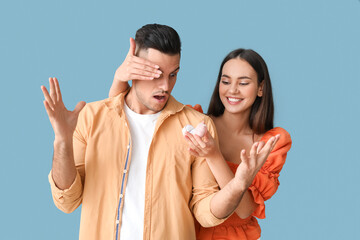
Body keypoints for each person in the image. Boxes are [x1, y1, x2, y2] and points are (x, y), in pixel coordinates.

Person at [41, 24, 278, 240]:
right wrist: (62, 140)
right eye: (155, 73)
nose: (165, 85)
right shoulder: (92, 118)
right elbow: (67, 201)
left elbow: (206, 212)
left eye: (172, 74)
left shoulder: (197, 126)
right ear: (133, 66)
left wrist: (238, 185)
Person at [109, 48, 291, 239]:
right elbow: (125, 117)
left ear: (261, 88)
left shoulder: (271, 143)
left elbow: (244, 210)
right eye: (226, 81)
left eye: (243, 83)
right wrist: (120, 77)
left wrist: (213, 156)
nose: (233, 90)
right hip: (184, 231)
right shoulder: (193, 122)